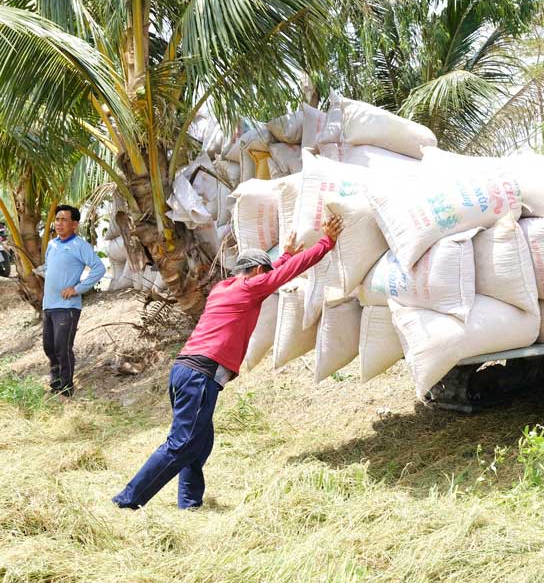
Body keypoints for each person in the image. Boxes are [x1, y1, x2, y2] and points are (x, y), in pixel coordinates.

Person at [112, 214, 344, 510]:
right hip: (200, 376)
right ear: (258, 270)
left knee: (199, 443)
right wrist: (327, 242)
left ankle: (189, 504)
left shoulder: (224, 288)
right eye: (263, 273)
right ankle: (128, 499)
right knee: (182, 443)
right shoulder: (249, 289)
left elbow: (273, 274)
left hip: (184, 371)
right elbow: (282, 275)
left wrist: (284, 255)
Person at [41, 205, 106, 398]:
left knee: (62, 348)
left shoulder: (80, 245)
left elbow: (99, 268)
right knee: (49, 347)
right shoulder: (52, 244)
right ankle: (56, 385)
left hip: (67, 307)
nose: (59, 223)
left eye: (64, 219)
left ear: (74, 224)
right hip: (49, 305)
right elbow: (50, 267)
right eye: (57, 219)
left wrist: (76, 289)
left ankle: (66, 390)